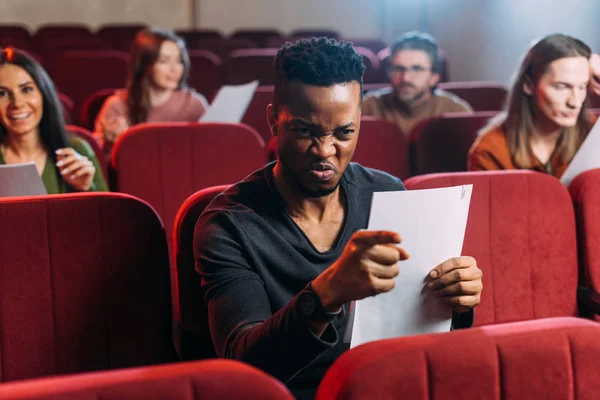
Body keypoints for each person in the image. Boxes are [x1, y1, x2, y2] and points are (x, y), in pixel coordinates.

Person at [194, 38, 483, 399]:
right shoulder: (228, 225)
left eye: (344, 133)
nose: (326, 151)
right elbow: (243, 365)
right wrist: (328, 293)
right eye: (305, 132)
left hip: (384, 386)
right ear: (274, 121)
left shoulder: (387, 194)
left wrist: (457, 300)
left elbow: (422, 336)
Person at [468, 34, 600, 178]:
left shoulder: (591, 132)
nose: (575, 102)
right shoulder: (490, 151)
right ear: (528, 85)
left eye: (582, 86)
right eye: (561, 87)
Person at [0, 48, 107, 194]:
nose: (17, 103)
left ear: (44, 93)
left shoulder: (78, 150)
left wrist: (86, 188)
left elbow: (108, 215)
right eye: (3, 93)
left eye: (26, 89)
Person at [94, 28, 208, 157]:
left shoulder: (194, 104)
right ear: (144, 65)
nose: (175, 69)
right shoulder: (117, 105)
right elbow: (98, 164)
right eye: (164, 61)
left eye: (179, 61)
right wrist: (112, 144)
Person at [362, 31, 472, 137]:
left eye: (417, 69)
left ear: (434, 77)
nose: (405, 78)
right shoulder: (369, 107)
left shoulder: (455, 112)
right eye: (399, 69)